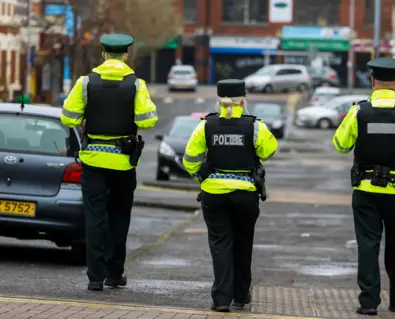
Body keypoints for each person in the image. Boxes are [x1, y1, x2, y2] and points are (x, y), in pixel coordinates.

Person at [332, 57, 395, 316]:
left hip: (366, 191)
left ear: (372, 80)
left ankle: (368, 302)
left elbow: (341, 145)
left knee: (368, 245)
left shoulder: (358, 111)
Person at [61, 33, 158, 291]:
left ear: (103, 54)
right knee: (119, 217)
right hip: (124, 163)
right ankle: (114, 273)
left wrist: (86, 116)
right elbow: (148, 120)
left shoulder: (85, 83)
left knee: (95, 218)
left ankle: (95, 277)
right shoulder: (136, 84)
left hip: (93, 160)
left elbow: (68, 117)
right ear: (125, 55)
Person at [182, 79, 278, 312]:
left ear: (218, 100)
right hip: (245, 194)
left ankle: (221, 299)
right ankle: (240, 295)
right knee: (243, 244)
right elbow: (269, 151)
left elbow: (189, 159)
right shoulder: (255, 126)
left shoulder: (206, 125)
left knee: (220, 244)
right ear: (243, 101)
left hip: (213, 195)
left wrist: (201, 178)